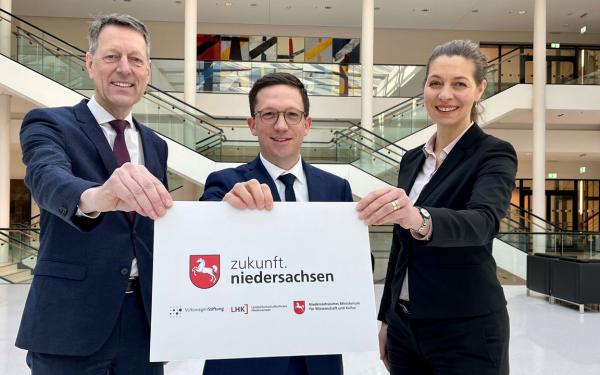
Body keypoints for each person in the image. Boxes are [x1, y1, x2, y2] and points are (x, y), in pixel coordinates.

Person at [15, 14, 172, 374]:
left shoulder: (156, 145)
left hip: (143, 327)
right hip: (71, 323)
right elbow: (46, 177)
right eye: (111, 56)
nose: (124, 69)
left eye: (135, 59)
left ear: (147, 71)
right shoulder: (49, 123)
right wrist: (97, 196)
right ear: (89, 63)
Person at [357, 40, 517, 375]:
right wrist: (387, 317)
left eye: (459, 84)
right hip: (404, 327)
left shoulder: (494, 154)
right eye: (435, 83)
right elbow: (401, 248)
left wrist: (419, 218)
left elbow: (483, 221)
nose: (445, 95)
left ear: (480, 90)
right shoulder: (412, 158)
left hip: (466, 328)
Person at [201, 72, 352, 375]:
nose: (281, 125)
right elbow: (202, 242)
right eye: (268, 114)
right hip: (245, 358)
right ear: (252, 124)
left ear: (307, 125)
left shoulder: (337, 189)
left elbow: (356, 264)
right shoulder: (226, 184)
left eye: (292, 115)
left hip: (317, 356)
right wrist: (225, 210)